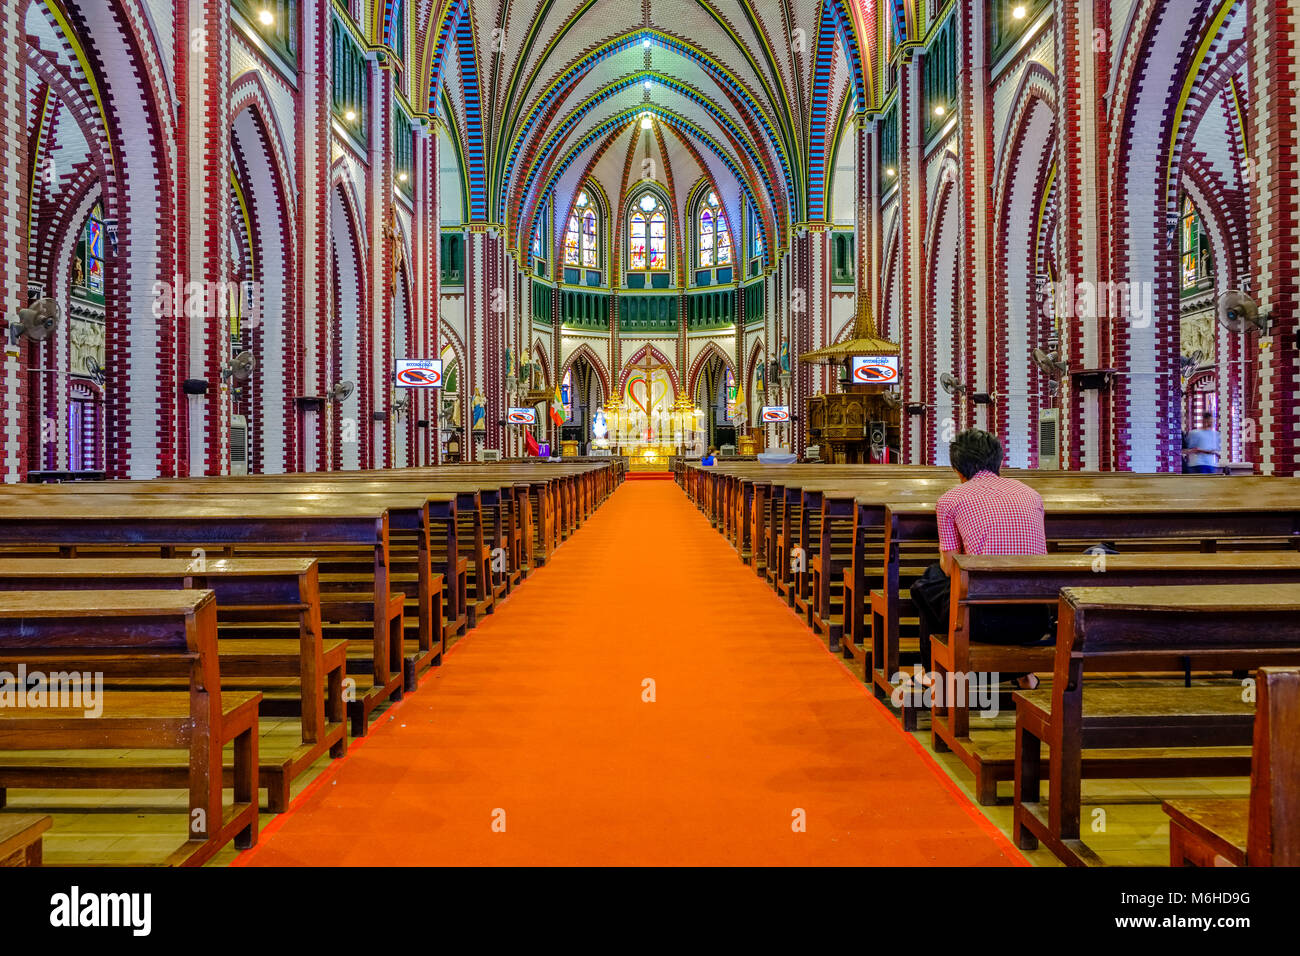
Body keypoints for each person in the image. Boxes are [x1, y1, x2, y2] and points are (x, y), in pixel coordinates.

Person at [908, 429, 1052, 691]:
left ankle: (933, 671)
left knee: (928, 583)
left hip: (982, 621)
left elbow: (951, 568)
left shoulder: (951, 500)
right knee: (938, 581)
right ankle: (1023, 673)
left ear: (957, 469)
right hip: (1037, 619)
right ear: (999, 461)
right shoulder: (1032, 495)